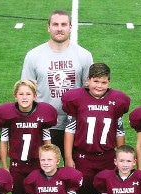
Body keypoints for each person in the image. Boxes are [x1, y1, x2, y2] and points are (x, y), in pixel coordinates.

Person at [62, 62, 131, 194]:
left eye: (103, 82)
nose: (99, 86)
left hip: (108, 157)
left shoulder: (118, 100)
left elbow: (119, 130)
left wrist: (121, 156)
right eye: (96, 81)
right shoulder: (76, 99)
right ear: (88, 80)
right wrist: (68, 157)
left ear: (109, 82)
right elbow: (70, 129)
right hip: (83, 156)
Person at [21, 9, 93, 156]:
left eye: (64, 24)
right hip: (44, 124)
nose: (59, 28)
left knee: (73, 171)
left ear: (70, 27)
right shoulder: (33, 56)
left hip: (75, 124)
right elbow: (26, 92)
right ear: (48, 27)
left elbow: (89, 91)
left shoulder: (84, 55)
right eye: (55, 24)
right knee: (46, 170)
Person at [0, 80, 58, 194]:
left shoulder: (44, 113)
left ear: (35, 96)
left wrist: (49, 162)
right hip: (16, 163)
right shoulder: (7, 114)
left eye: (28, 94)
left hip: (36, 163)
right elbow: (4, 141)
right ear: (15, 96)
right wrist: (4, 165)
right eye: (21, 94)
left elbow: (47, 141)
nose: (24, 97)